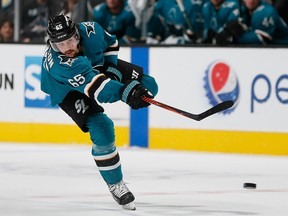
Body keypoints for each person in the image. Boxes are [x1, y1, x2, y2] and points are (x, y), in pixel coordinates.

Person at [41, 14, 158, 210]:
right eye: (60, 44)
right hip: (65, 88)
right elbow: (97, 89)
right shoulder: (61, 65)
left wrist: (112, 69)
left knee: (149, 85)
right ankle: (115, 183)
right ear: (53, 43)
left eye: (70, 40)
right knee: (102, 128)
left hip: (92, 69)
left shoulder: (91, 30)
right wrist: (124, 92)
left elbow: (111, 43)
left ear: (77, 34)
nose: (67, 47)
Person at [215, 0, 288, 45]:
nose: (251, 0)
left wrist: (232, 39)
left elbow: (261, 40)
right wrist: (223, 33)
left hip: (283, 48)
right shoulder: (239, 11)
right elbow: (223, 33)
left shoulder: (266, 11)